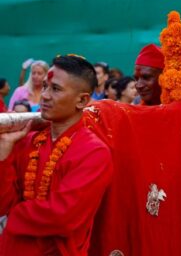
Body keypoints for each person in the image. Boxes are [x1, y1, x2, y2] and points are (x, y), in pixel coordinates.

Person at [0, 55, 113, 255]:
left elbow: (63, 217)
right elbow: (3, 204)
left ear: (82, 100)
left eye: (56, 89)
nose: (44, 95)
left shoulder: (94, 152)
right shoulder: (28, 141)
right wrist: (3, 155)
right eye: (44, 87)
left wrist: (15, 214)